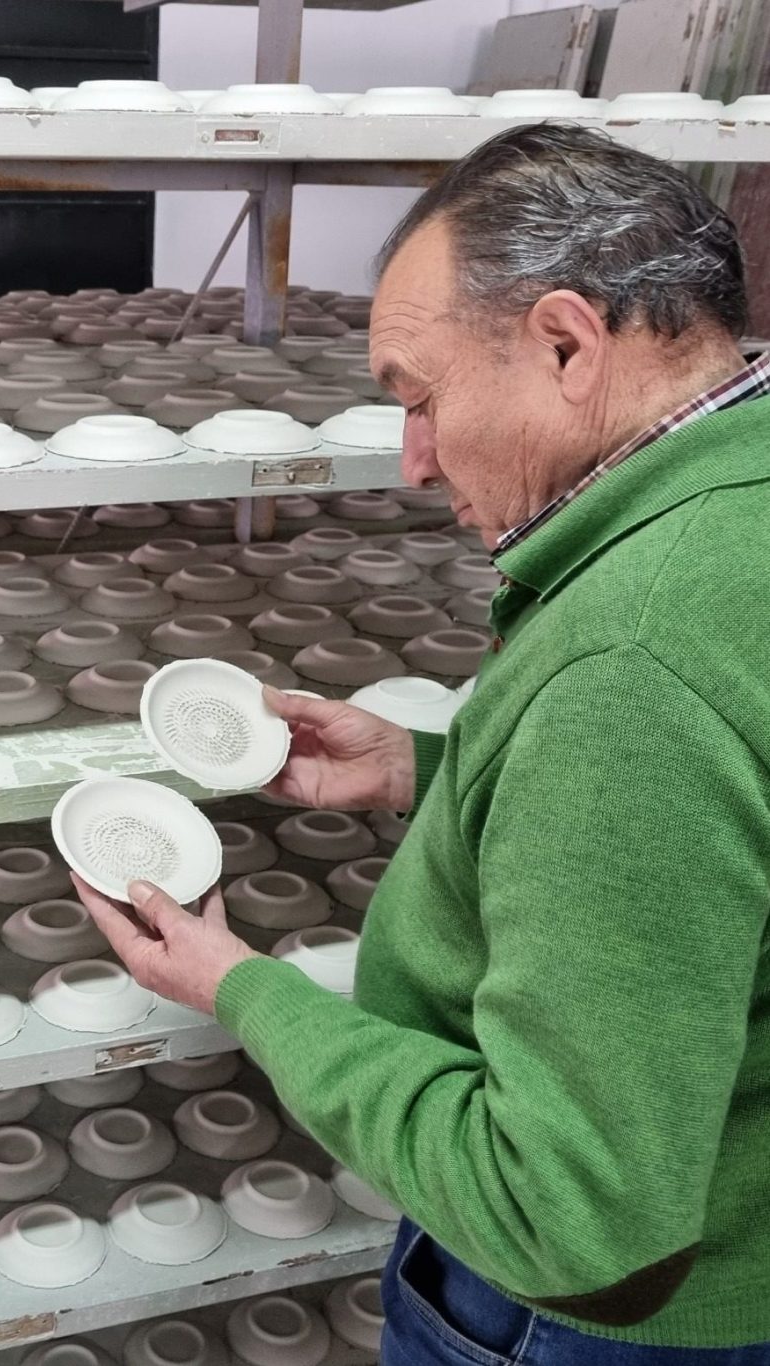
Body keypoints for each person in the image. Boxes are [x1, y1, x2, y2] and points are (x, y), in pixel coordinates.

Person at [72, 123, 770, 1363]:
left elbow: (563, 1214)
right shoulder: (737, 512)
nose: (409, 462)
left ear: (566, 344)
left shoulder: (627, 668)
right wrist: (432, 772)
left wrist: (244, 989)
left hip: (599, 1327)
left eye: (419, 398)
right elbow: (716, 827)